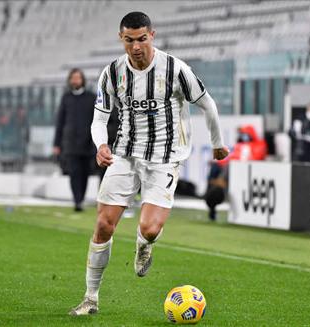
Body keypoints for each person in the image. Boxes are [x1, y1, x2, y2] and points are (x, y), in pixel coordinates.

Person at [69, 12, 230, 315]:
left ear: (152, 36)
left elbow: (207, 103)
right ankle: (91, 298)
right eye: (130, 40)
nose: (136, 46)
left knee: (151, 228)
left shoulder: (175, 69)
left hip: (165, 158)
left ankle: (144, 245)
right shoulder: (112, 72)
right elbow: (99, 120)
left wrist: (218, 144)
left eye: (142, 38)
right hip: (125, 155)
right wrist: (101, 145)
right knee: (104, 225)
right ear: (122, 39)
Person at [53, 69, 97, 212]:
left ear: (82, 80)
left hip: (87, 143)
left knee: (84, 174)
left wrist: (96, 138)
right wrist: (56, 143)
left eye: (78, 78)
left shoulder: (91, 97)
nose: (75, 81)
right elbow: (60, 121)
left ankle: (81, 198)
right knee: (74, 173)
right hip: (70, 143)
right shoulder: (66, 97)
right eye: (73, 78)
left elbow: (98, 120)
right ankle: (77, 200)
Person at [205, 124, 268, 220]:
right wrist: (217, 162)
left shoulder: (259, 144)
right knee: (215, 167)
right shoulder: (239, 145)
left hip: (246, 168)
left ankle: (221, 182)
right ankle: (210, 195)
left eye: (244, 133)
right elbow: (229, 158)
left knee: (230, 166)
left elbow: (256, 158)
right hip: (233, 167)